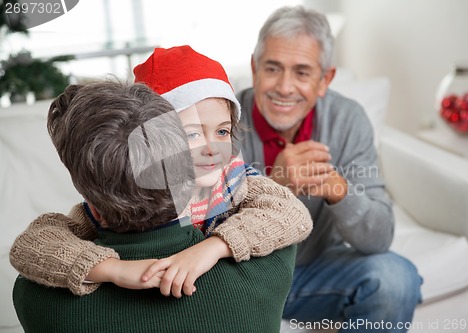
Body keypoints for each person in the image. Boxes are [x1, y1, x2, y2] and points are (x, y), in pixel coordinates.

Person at [10, 46, 312, 299]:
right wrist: (113, 270)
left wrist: (213, 247)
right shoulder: (120, 201)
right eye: (191, 135)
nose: (212, 148)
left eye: (222, 131)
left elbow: (292, 215)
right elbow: (30, 247)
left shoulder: (233, 181)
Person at [235, 5, 422, 332]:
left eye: (302, 72)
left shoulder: (348, 120)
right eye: (273, 68)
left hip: (315, 271)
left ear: (325, 80)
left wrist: (339, 191)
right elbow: (202, 232)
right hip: (243, 279)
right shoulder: (226, 122)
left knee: (396, 279)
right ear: (254, 69)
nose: (284, 87)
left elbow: (379, 239)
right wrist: (274, 187)